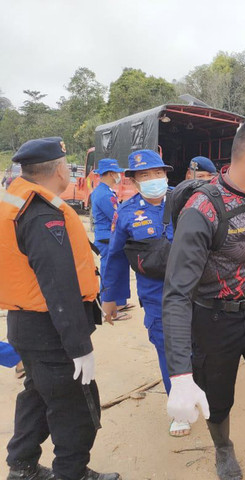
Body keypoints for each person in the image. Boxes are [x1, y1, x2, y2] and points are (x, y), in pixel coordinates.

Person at [162, 115, 245, 480]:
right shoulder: (202, 210)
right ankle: (223, 449)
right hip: (215, 321)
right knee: (218, 402)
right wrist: (180, 374)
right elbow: (175, 294)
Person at [0, 137, 120, 480]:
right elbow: (59, 286)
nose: (69, 170)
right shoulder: (40, 214)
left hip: (27, 324)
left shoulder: (19, 200)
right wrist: (79, 347)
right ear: (57, 170)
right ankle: (72, 472)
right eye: (67, 165)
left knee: (37, 395)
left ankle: (22, 467)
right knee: (74, 407)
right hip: (50, 329)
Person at [99, 150, 189, 437]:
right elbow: (114, 257)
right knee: (167, 348)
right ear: (135, 182)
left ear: (166, 175)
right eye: (145, 176)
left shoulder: (186, 199)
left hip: (195, 289)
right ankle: (179, 408)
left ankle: (196, 388)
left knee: (199, 345)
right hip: (156, 294)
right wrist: (111, 298)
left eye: (158, 174)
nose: (154, 180)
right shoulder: (126, 214)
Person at [90, 158, 131, 321]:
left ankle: (119, 303)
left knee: (119, 269)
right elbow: (116, 216)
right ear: (110, 174)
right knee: (110, 273)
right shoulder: (104, 194)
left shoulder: (104, 191)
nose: (119, 176)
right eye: (117, 173)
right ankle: (108, 310)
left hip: (110, 237)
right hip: (108, 238)